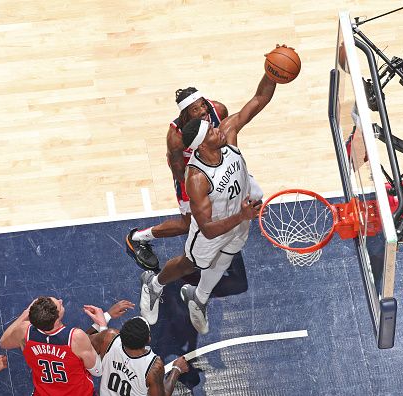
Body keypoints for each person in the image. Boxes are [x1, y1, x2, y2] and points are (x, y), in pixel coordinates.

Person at [139, 66, 281, 335]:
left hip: (239, 212)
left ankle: (198, 297)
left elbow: (258, 100)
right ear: (202, 144)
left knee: (227, 257)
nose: (219, 129)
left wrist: (272, 73)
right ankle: (154, 284)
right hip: (220, 220)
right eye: (211, 132)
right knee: (190, 263)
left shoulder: (227, 132)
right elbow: (205, 228)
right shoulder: (196, 179)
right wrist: (240, 216)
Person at [125, 88, 228, 271]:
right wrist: (202, 188)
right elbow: (179, 172)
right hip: (190, 175)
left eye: (203, 104)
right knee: (187, 224)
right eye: (195, 109)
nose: (203, 110)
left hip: (213, 167)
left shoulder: (218, 111)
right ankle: (137, 238)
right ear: (186, 113)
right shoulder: (176, 136)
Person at [0, 297, 133, 396]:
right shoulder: (75, 337)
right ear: (57, 319)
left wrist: (26, 313)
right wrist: (103, 325)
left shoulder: (24, 332)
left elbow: (3, 342)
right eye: (59, 305)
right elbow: (98, 371)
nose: (61, 300)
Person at [84, 306, 189, 396]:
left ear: (122, 334)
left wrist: (105, 319)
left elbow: (80, 342)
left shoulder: (108, 337)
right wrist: (176, 369)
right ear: (148, 339)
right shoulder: (153, 367)